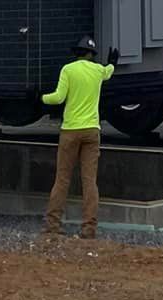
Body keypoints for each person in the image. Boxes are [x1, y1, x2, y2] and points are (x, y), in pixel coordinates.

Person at [40, 36, 117, 239]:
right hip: (92, 130)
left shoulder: (68, 70)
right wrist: (112, 63)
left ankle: (53, 225)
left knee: (62, 179)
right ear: (91, 55)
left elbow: (58, 97)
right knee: (90, 181)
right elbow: (109, 72)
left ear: (76, 53)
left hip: (71, 130)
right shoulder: (98, 70)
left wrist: (41, 98)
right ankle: (89, 228)